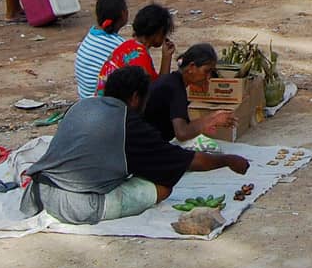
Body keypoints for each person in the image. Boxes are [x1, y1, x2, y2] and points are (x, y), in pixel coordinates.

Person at [19, 66, 250, 225]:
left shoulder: (83, 105)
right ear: (136, 98)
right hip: (77, 205)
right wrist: (227, 160)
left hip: (40, 191)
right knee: (162, 188)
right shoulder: (128, 123)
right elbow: (185, 161)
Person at [142, 43, 236, 142]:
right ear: (191, 67)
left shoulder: (173, 81)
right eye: (206, 71)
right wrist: (212, 119)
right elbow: (182, 133)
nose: (208, 77)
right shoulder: (175, 87)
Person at [96, 3, 175, 93]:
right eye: (164, 33)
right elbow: (159, 91)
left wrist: (166, 57)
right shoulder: (140, 57)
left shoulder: (128, 46)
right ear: (159, 32)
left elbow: (156, 83)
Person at [74, 0, 129, 100]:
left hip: (84, 101)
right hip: (101, 105)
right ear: (123, 14)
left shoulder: (91, 36)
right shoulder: (120, 46)